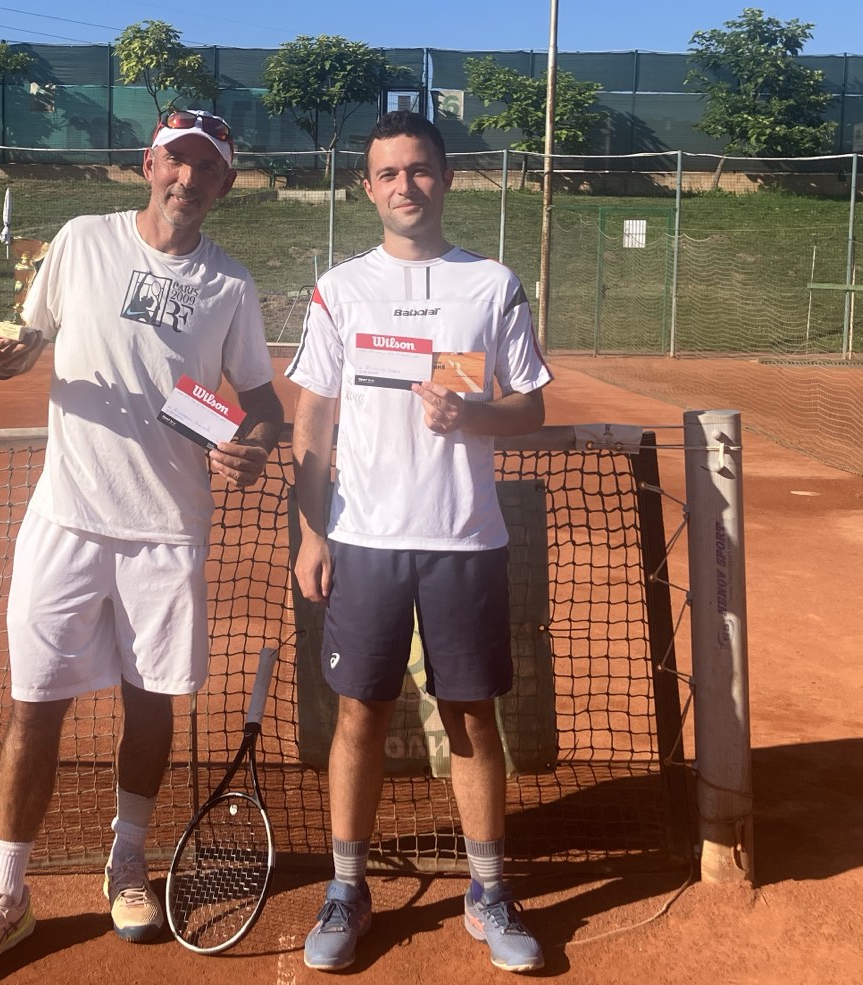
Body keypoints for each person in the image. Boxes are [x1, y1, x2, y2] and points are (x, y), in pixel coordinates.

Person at [0, 108, 284, 982]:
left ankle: (128, 861)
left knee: (151, 706)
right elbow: (22, 341)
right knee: (34, 706)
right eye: (176, 161)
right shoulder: (81, 240)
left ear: (224, 184)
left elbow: (263, 406)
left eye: (206, 168)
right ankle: (6, 892)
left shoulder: (231, 284)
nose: (188, 179)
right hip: (66, 518)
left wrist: (251, 445)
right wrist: (4, 357)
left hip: (168, 531)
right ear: (148, 165)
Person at [286, 110, 551, 974]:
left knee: (472, 715)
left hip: (464, 540)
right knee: (359, 713)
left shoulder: (493, 284)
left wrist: (471, 414)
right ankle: (347, 886)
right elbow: (313, 417)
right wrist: (312, 530)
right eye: (389, 172)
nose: (407, 185)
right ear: (367, 187)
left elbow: (530, 406)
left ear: (447, 177)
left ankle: (487, 889)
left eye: (421, 169)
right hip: (362, 539)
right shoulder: (340, 289)